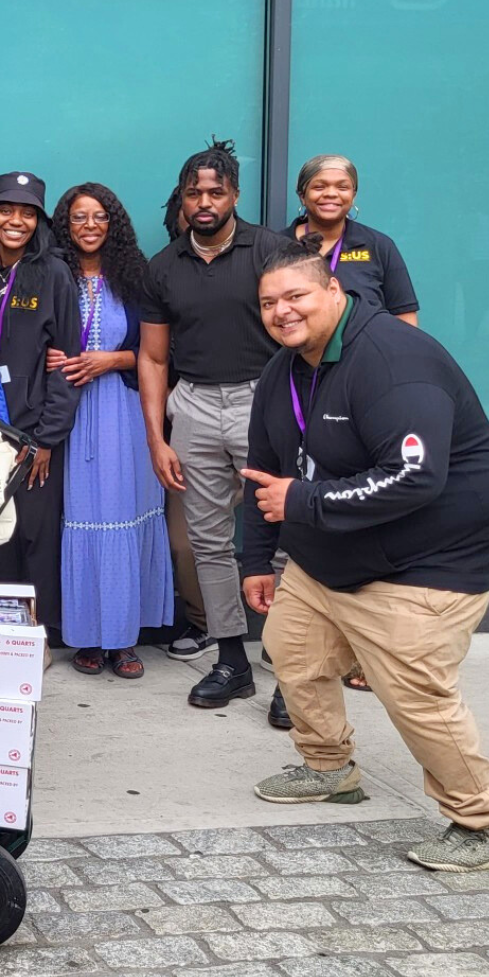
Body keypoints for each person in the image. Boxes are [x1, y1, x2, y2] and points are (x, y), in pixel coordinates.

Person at [241, 236, 489, 872]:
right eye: (269, 303)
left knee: (412, 685)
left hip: (437, 545)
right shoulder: (281, 372)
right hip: (339, 540)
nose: (283, 311)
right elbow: (263, 474)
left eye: (297, 296)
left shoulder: (394, 360)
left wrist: (305, 503)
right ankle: (328, 767)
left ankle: (482, 824)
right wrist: (257, 559)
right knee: (292, 648)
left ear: (333, 291)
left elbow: (415, 476)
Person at [139, 139, 292, 719]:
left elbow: (302, 333)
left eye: (215, 191)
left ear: (234, 195)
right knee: (208, 541)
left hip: (265, 399)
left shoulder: (273, 252)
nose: (204, 201)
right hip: (195, 406)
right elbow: (152, 360)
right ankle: (232, 662)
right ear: (182, 198)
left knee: (283, 542)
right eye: (194, 192)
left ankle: (291, 674)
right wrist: (157, 438)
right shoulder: (165, 266)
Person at [48, 183, 173, 677]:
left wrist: (111, 359)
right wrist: (49, 356)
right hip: (72, 414)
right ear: (64, 224)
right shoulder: (52, 273)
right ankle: (87, 637)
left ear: (113, 222)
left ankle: (123, 638)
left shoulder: (137, 276)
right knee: (82, 514)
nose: (89, 226)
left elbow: (162, 351)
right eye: (79, 217)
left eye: (100, 216)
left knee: (126, 511)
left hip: (125, 408)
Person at [0, 172, 80, 630]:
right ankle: (0, 631)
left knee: (35, 534)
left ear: (39, 221)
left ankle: (38, 635)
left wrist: (48, 438)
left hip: (33, 431)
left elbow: (67, 362)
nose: (16, 221)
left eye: (27, 213)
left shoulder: (53, 272)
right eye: (6, 210)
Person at [284, 154, 419, 327]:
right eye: (319, 187)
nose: (331, 194)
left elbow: (404, 318)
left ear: (353, 195)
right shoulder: (277, 245)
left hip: (367, 352)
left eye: (342, 187)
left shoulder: (379, 246)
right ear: (302, 196)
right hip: (294, 352)